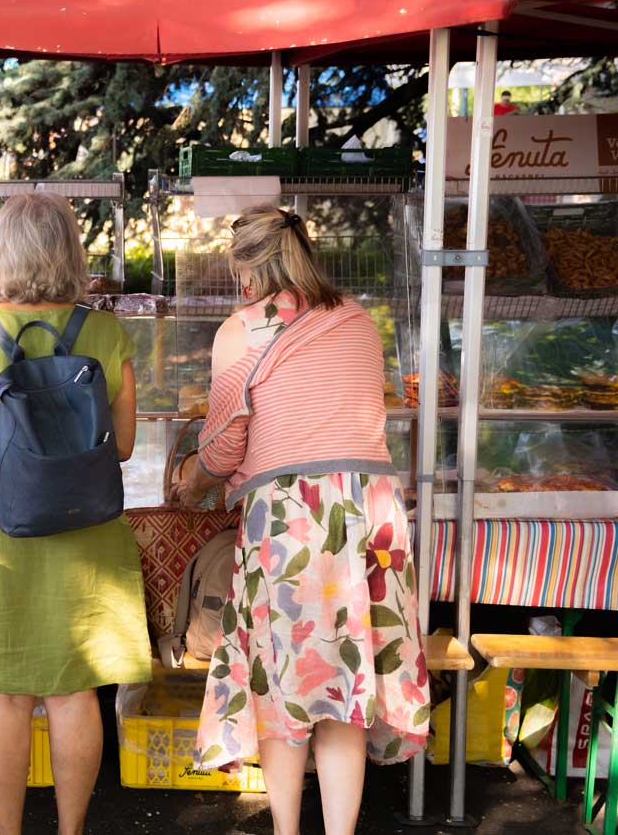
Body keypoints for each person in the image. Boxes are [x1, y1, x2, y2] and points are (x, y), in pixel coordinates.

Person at [174, 206, 428, 835]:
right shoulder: (358, 320)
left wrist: (192, 478)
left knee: (283, 688)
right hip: (372, 514)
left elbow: (227, 446)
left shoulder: (242, 330)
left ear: (245, 270)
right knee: (343, 691)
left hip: (293, 519)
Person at [0, 193, 151, 835]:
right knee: (74, 688)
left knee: (4, 691)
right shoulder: (105, 332)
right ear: (69, 252)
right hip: (84, 521)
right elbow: (126, 444)